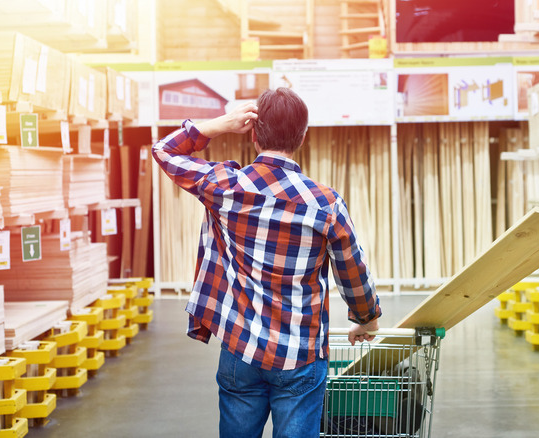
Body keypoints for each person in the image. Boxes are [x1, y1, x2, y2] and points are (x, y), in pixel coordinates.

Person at [152, 87, 382, 438]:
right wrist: (366, 319)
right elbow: (352, 270)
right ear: (303, 137)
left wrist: (220, 125)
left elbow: (164, 150)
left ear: (254, 134)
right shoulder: (326, 204)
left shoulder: (225, 187)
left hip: (240, 349)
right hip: (300, 353)